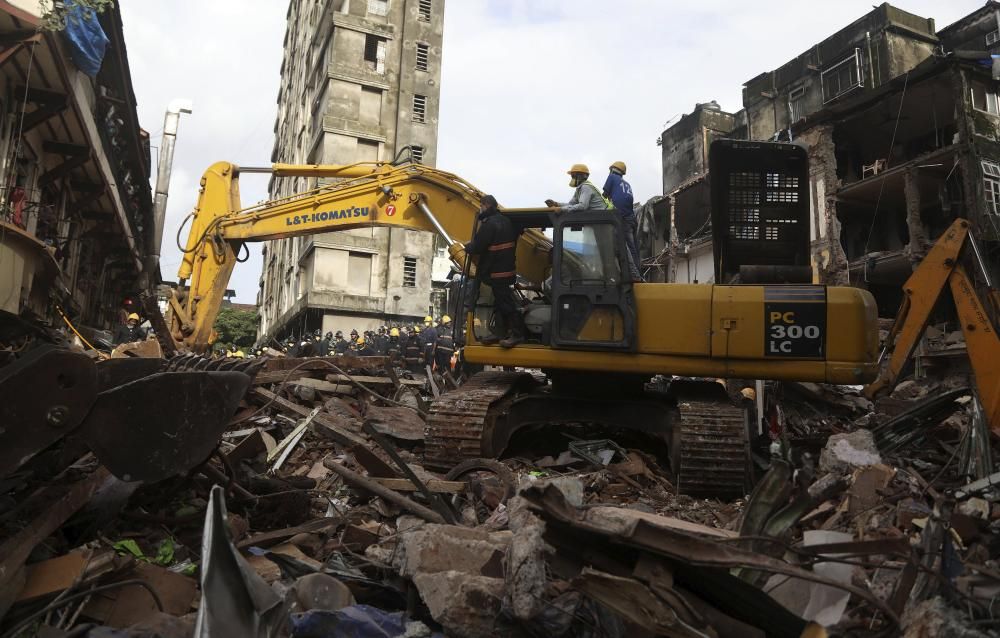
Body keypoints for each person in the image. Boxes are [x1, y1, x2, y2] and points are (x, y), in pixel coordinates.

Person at [463, 194, 523, 348]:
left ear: (487, 205)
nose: (480, 208)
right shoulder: (506, 221)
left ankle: (517, 334)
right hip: (506, 270)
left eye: (481, 205)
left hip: (497, 271)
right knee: (500, 303)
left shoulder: (490, 224)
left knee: (505, 303)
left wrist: (467, 246)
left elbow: (477, 247)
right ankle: (499, 332)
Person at [603, 161, 643, 282]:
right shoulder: (627, 184)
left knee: (616, 246)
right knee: (632, 248)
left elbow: (604, 195)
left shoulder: (611, 177)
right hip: (631, 219)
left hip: (620, 218)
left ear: (613, 170)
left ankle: (628, 274)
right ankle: (638, 273)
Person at [544, 164, 614, 213]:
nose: (573, 178)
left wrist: (561, 209)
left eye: (574, 175)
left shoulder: (586, 187)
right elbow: (571, 204)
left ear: (583, 176)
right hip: (598, 217)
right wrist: (557, 204)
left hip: (604, 217)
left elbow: (582, 206)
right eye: (572, 176)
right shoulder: (579, 188)